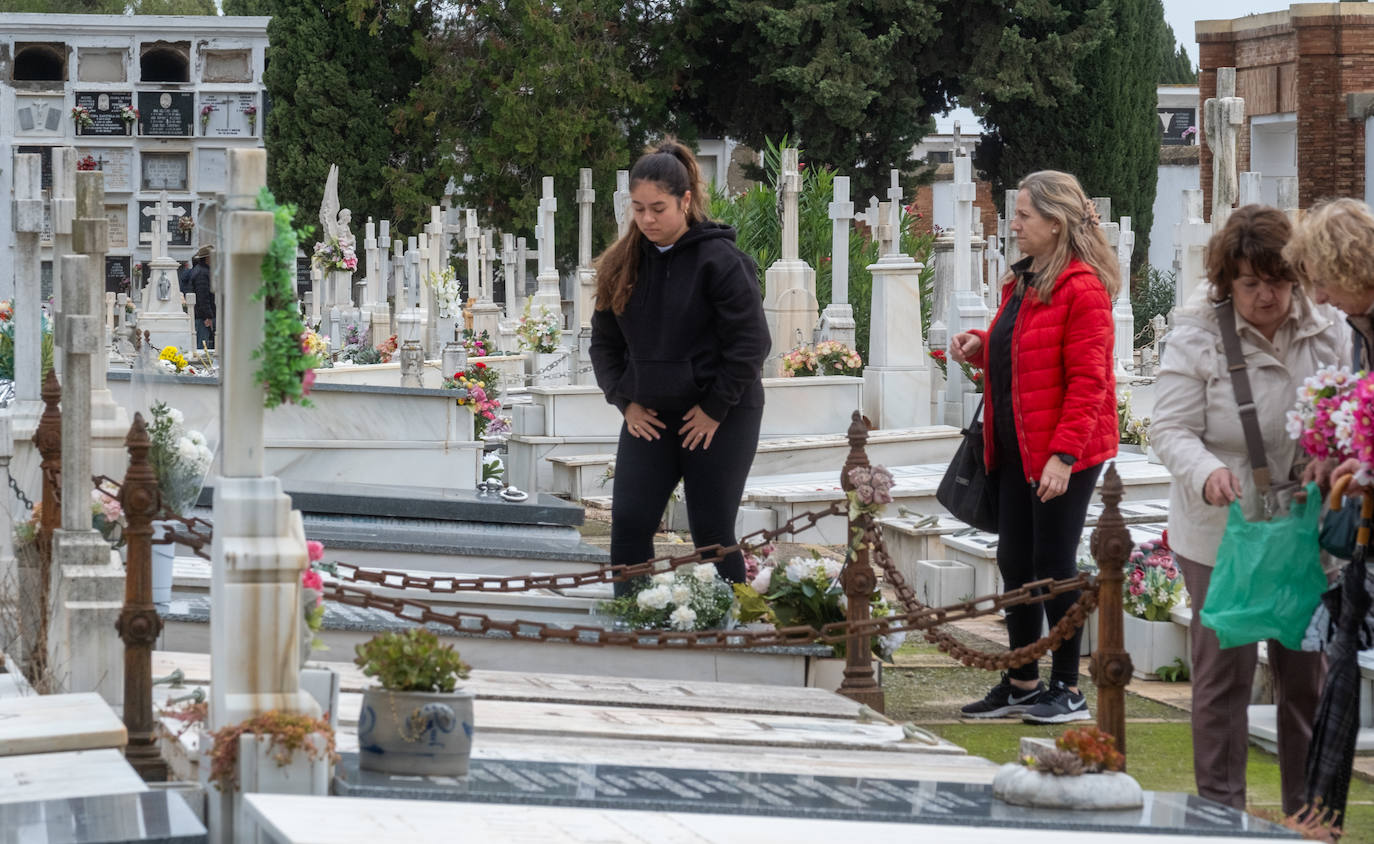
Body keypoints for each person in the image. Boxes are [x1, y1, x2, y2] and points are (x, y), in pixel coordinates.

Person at [1151, 205, 1343, 814]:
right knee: (1223, 677)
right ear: (1225, 282)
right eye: (1250, 283)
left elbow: (1353, 411)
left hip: (1306, 527)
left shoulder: (1329, 329)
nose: (1268, 296)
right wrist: (1206, 472)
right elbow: (1172, 427)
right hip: (1219, 530)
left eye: (1279, 280)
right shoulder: (1197, 336)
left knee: (1306, 679)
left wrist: (1334, 456)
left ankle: (1308, 816)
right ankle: (1220, 816)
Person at [951, 170, 1118, 725]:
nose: (1014, 224)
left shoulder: (1083, 288)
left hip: (1059, 452)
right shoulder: (1022, 282)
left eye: (1024, 215)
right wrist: (981, 346)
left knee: (1052, 564)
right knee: (1014, 561)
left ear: (1055, 223)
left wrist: (1064, 456)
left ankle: (1067, 688)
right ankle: (1023, 681)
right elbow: (1021, 355)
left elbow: (1090, 382)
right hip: (1016, 446)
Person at [589, 138, 770, 597]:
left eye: (659, 208)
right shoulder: (621, 265)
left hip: (719, 415)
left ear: (685, 201)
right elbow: (604, 346)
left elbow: (751, 344)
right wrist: (624, 401)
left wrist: (714, 407)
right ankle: (634, 619)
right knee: (629, 521)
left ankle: (731, 623)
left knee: (710, 529)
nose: (647, 220)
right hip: (649, 416)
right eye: (638, 208)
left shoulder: (722, 262)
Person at [188, 244, 215, 351]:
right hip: (202, 318)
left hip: (202, 316)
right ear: (208, 258)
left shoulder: (201, 270)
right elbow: (202, 297)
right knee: (202, 348)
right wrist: (207, 317)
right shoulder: (202, 273)